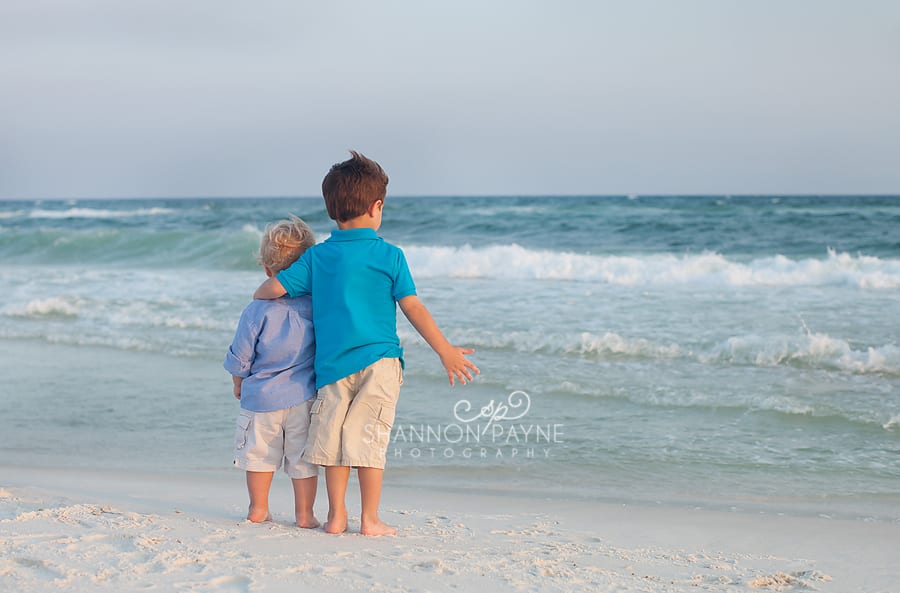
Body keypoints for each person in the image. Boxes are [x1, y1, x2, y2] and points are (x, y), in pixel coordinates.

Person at [253, 151, 479, 536]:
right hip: (380, 363)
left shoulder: (318, 257)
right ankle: (370, 519)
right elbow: (413, 307)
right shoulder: (391, 256)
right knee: (369, 442)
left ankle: (336, 516)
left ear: (331, 210)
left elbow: (274, 288)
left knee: (334, 443)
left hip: (331, 368)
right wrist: (445, 350)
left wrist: (260, 295)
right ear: (376, 207)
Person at [225, 216, 320, 528]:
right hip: (303, 396)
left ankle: (258, 509)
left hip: (262, 398)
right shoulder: (316, 306)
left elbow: (242, 352)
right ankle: (304, 515)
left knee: (260, 456)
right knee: (302, 460)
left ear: (267, 270)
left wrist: (239, 381)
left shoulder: (256, 310)